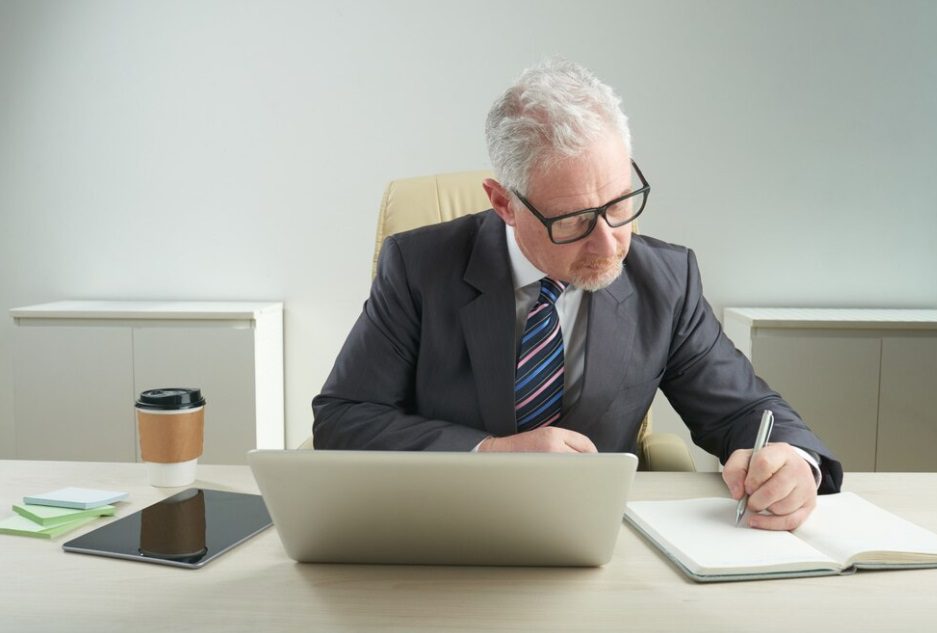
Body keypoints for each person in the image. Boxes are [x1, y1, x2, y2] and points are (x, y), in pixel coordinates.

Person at [313, 58, 842, 530]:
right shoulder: (419, 267)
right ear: (503, 203)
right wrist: (490, 454)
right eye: (573, 220)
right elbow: (343, 418)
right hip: (443, 527)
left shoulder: (666, 279)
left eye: (618, 204)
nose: (609, 242)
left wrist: (791, 460)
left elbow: (742, 411)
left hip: (599, 539)